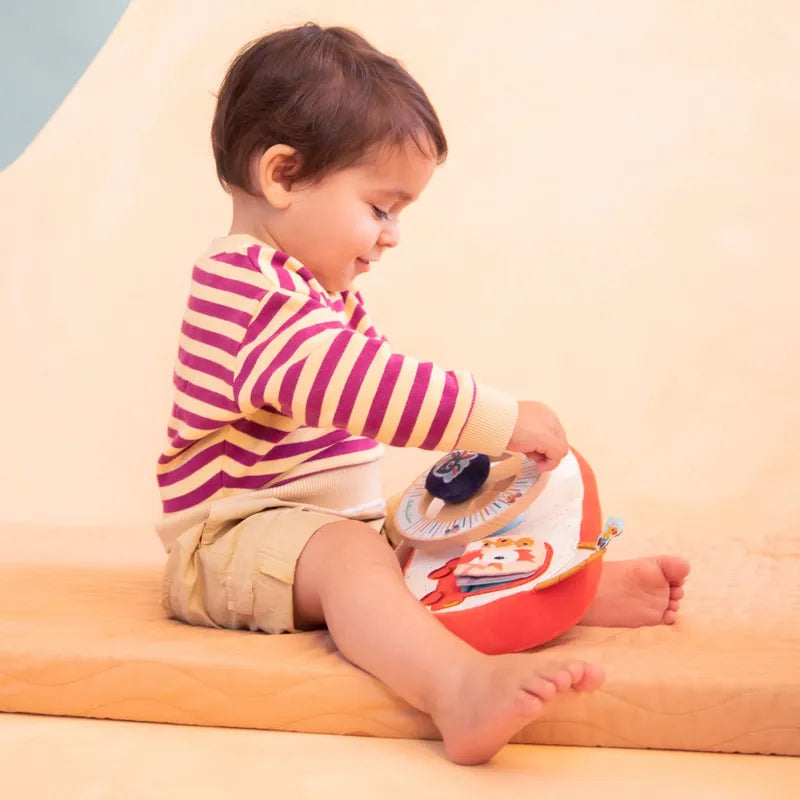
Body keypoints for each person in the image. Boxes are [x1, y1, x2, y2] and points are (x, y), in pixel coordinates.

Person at [155, 23, 689, 764]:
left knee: (432, 528)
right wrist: (493, 420)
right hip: (231, 539)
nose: (393, 236)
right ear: (282, 175)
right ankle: (456, 688)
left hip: (316, 529)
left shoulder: (314, 292)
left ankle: (562, 587)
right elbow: (367, 387)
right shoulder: (244, 286)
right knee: (353, 557)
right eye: (380, 208)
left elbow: (375, 383)